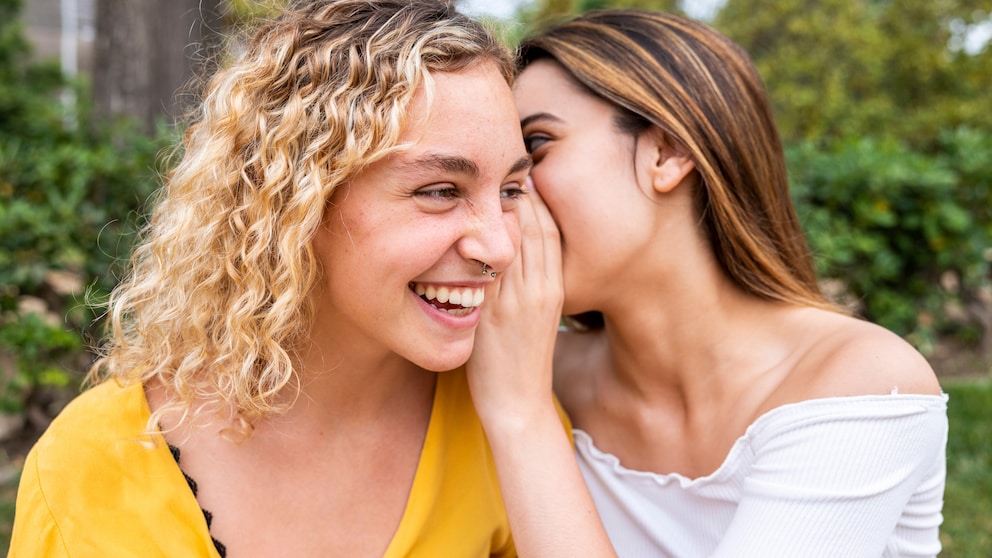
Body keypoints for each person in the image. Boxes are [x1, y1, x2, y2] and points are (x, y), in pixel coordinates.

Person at [9, 1, 540, 556]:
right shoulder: (90, 466)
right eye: (440, 192)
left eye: (510, 191)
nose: (500, 247)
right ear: (295, 201)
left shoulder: (510, 428)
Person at [467, 9, 948, 558]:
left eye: (536, 148)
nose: (506, 198)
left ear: (668, 152)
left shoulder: (859, 383)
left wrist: (522, 417)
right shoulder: (534, 368)